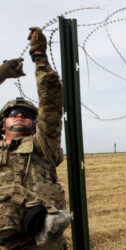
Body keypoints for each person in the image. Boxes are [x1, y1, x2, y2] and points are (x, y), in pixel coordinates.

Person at [0, 27, 70, 249]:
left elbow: (50, 99)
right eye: (12, 114)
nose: (19, 115)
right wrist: (1, 74)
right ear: (2, 123)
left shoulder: (42, 145)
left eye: (28, 114)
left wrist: (39, 56)